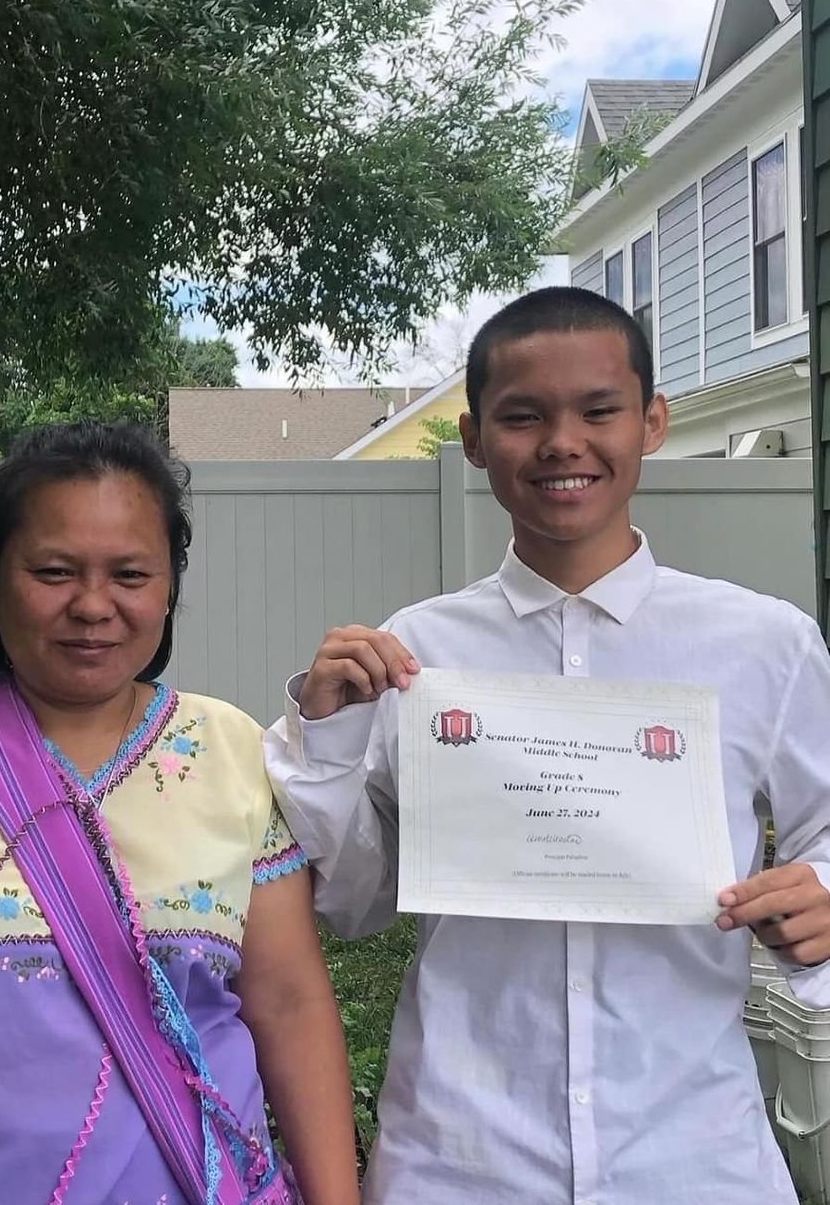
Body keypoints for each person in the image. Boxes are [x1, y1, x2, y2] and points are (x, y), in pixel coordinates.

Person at [264, 286, 830, 1205]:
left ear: (651, 421)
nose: (563, 442)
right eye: (523, 416)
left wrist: (821, 899)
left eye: (599, 410)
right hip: (461, 1155)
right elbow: (357, 904)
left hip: (693, 1153)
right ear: (476, 439)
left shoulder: (763, 645)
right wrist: (327, 742)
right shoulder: (420, 655)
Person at [0, 421, 360, 1205]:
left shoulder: (228, 750)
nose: (93, 606)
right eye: (53, 571)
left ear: (169, 586)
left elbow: (289, 1005)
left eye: (130, 574)